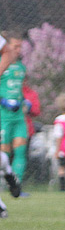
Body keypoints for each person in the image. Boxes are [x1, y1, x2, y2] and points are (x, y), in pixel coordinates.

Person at [0, 32, 29, 184]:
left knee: (20, 149)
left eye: (20, 47)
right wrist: (2, 101)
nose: (18, 50)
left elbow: (18, 90)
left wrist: (25, 101)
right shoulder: (1, 64)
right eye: (15, 46)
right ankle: (4, 184)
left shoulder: (21, 68)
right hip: (3, 117)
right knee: (4, 153)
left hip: (18, 117)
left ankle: (17, 183)